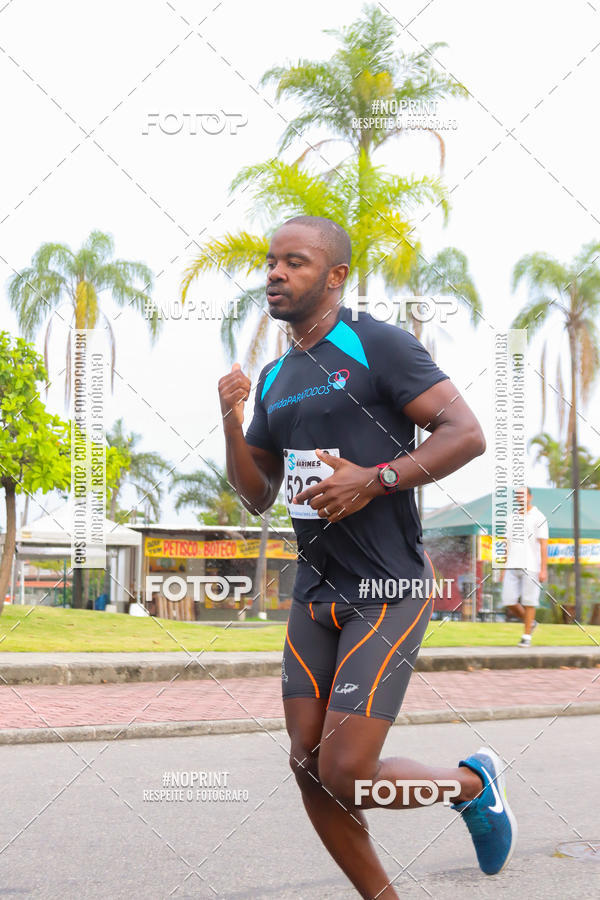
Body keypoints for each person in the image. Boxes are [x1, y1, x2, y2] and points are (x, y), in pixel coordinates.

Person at [218, 215, 517, 898]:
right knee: (306, 761)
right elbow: (259, 495)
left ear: (336, 275)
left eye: (294, 262)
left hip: (386, 586)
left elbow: (465, 434)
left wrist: (374, 477)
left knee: (347, 768)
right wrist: (231, 422)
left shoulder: (378, 346)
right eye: (270, 262)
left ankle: (472, 785)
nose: (274, 273)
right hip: (314, 592)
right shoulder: (273, 377)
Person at [502, 486, 548, 646]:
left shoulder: (539, 517)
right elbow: (506, 544)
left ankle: (526, 636)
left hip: (531, 566)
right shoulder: (510, 518)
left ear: (530, 496)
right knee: (508, 600)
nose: (520, 498)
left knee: (530, 601)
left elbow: (543, 545)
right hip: (511, 565)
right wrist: (502, 568)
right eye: (518, 495)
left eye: (523, 495)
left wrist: (543, 569)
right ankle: (531, 623)